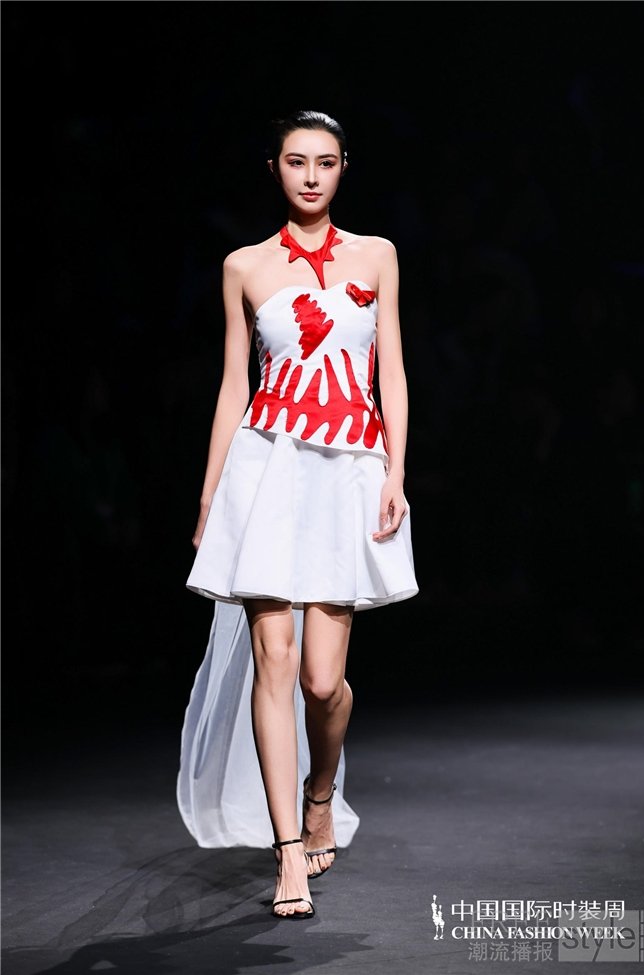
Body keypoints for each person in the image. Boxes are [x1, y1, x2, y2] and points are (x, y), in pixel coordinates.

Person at [176, 109, 418, 921]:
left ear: (344, 167)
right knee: (273, 659)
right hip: (266, 468)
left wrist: (396, 469)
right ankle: (288, 852)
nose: (311, 176)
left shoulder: (377, 255)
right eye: (295, 161)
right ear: (274, 168)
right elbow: (234, 385)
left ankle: (321, 791)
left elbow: (390, 369)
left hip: (347, 468)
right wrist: (211, 493)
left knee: (322, 680)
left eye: (325, 162)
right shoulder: (243, 265)